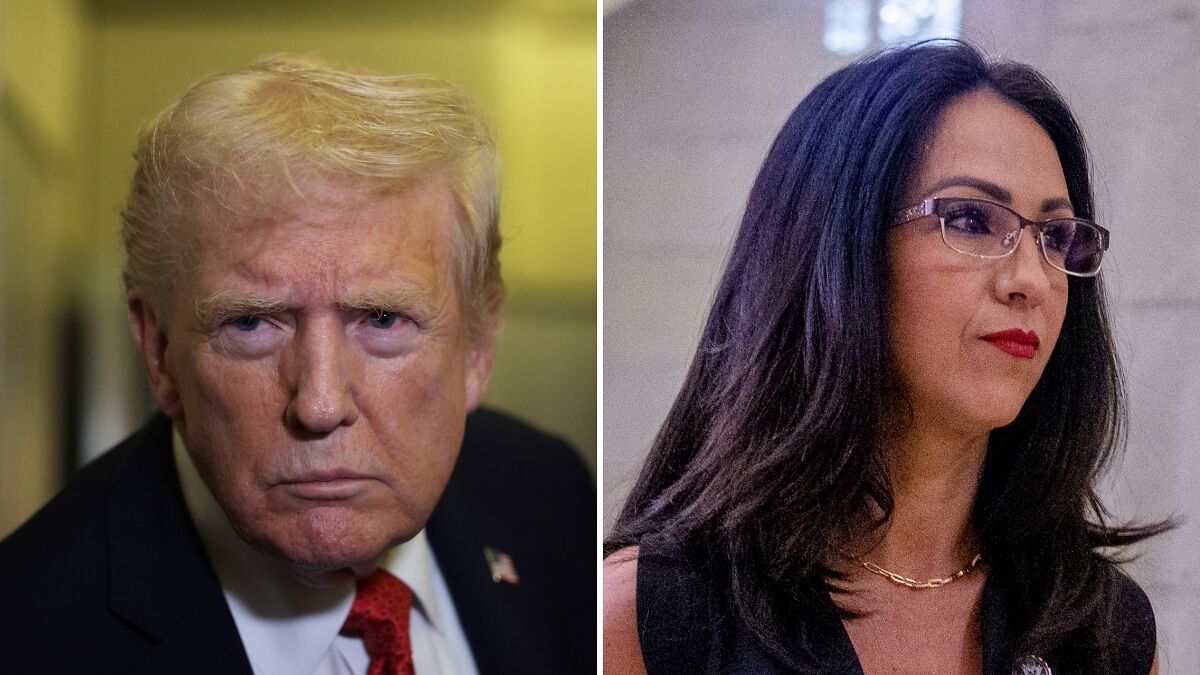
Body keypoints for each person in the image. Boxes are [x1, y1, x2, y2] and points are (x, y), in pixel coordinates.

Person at [0, 54, 594, 675]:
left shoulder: (550, 494)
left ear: (479, 343)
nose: (318, 405)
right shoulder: (27, 632)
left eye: (383, 319)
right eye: (251, 323)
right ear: (158, 353)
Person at [604, 41, 1169, 675]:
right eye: (971, 219)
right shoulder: (653, 616)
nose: (1032, 281)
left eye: (1056, 237)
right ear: (839, 250)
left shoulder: (1104, 631)